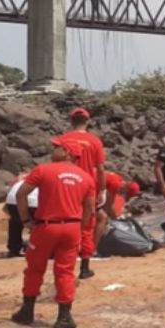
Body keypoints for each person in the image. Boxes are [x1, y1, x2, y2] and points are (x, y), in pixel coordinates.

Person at [11, 137, 95, 328]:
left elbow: (21, 193)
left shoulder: (44, 170)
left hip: (46, 226)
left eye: (57, 147)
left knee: (34, 268)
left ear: (66, 152)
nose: (53, 149)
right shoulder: (86, 177)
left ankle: (27, 310)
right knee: (65, 271)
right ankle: (64, 316)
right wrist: (81, 229)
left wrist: (25, 221)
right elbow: (90, 208)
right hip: (72, 227)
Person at [58, 107, 106, 279]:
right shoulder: (95, 141)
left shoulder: (62, 140)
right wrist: (102, 190)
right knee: (87, 226)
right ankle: (84, 267)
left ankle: (64, 264)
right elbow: (100, 169)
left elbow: (55, 162)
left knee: (64, 222)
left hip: (64, 185)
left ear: (71, 121)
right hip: (87, 187)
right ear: (88, 121)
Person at [93, 170, 141, 247]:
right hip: (88, 187)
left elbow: (107, 204)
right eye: (123, 193)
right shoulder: (116, 184)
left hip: (88, 180)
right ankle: (93, 247)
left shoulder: (117, 178)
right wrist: (114, 220)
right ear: (126, 188)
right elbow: (108, 205)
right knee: (103, 218)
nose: (121, 194)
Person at [4, 174, 38, 258]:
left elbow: (5, 208)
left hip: (11, 201)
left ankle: (13, 249)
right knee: (42, 224)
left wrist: (21, 220)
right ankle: (39, 248)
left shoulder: (21, 179)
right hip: (32, 202)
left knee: (14, 222)